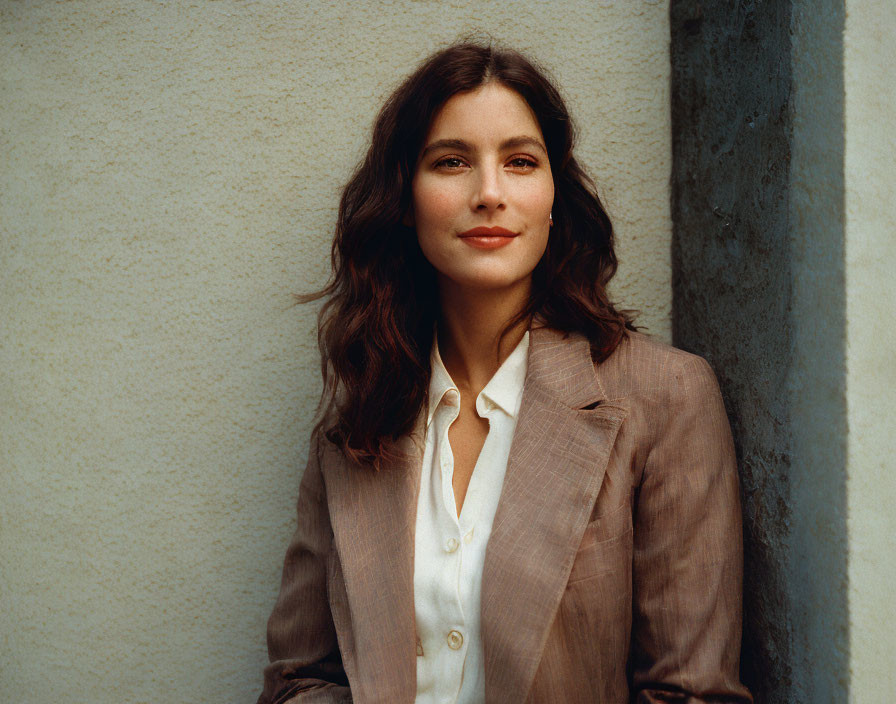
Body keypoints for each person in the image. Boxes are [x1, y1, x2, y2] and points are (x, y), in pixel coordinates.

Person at [257, 39, 752, 704]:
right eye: (451, 162)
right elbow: (299, 679)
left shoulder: (664, 398)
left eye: (520, 162)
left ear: (554, 195)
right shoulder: (360, 416)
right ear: (406, 196)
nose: (489, 194)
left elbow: (691, 694)